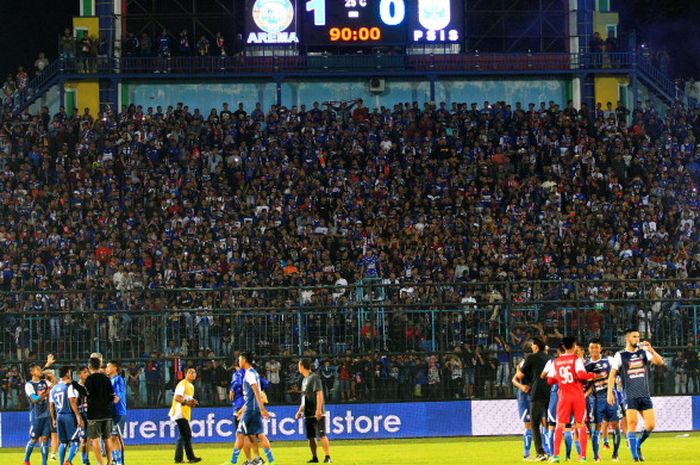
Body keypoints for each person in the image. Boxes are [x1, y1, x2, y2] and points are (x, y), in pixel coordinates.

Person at [607, 329, 665, 462]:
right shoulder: (620, 355)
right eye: (634, 336)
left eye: (638, 336)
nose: (637, 339)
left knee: (650, 425)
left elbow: (660, 362)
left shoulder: (643, 352)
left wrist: (651, 350)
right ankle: (634, 457)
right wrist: (610, 392)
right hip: (630, 395)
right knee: (632, 424)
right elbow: (612, 374)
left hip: (644, 395)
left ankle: (638, 445)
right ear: (627, 339)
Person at [544, 336, 595, 463]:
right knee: (580, 425)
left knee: (559, 425)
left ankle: (555, 455)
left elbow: (550, 380)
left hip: (563, 396)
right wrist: (593, 375)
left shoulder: (556, 361)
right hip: (577, 396)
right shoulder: (576, 360)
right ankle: (582, 456)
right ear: (573, 346)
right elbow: (581, 375)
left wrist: (561, 379)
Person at [228, 352, 275, 465]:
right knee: (259, 434)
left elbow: (256, 392)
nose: (239, 362)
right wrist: (245, 408)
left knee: (240, 434)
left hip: (250, 411)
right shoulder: (254, 373)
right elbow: (252, 395)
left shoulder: (249, 374)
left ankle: (232, 461)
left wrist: (262, 408)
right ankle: (271, 461)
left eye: (239, 359)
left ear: (244, 360)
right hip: (253, 409)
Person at [513, 338, 551, 461]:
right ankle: (529, 453)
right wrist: (521, 386)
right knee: (544, 424)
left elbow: (518, 376)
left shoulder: (530, 360)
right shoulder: (550, 359)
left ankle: (541, 452)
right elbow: (515, 380)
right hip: (547, 392)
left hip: (535, 393)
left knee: (535, 424)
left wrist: (518, 369)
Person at [585, 340, 622, 461]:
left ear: (600, 349)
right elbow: (589, 385)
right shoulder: (586, 365)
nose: (594, 350)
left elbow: (617, 373)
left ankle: (615, 453)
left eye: (597, 347)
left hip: (611, 397)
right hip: (597, 399)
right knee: (597, 426)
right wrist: (584, 395)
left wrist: (617, 380)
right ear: (589, 350)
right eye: (592, 348)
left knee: (616, 424)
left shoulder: (609, 360)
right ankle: (596, 456)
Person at [296, 358, 332, 463]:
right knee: (311, 437)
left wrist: (319, 410)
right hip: (307, 413)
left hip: (316, 412)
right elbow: (304, 398)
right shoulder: (304, 380)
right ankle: (315, 457)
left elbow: (319, 394)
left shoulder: (314, 377)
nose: (298, 367)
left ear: (302, 366)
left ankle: (327, 456)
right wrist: (300, 411)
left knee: (322, 435)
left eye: (299, 365)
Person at [49, 366, 83, 465]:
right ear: (67, 374)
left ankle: (61, 463)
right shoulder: (69, 386)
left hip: (59, 416)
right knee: (75, 441)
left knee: (63, 442)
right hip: (69, 415)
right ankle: (68, 461)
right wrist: (77, 416)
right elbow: (72, 401)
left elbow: (51, 405)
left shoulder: (54, 388)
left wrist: (54, 419)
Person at [84, 357, 115, 465]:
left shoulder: (89, 379)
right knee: (107, 438)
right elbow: (112, 395)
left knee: (95, 439)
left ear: (89, 366)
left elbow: (87, 394)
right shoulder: (106, 378)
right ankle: (109, 462)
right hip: (107, 413)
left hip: (94, 414)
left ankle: (100, 463)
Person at [169, 367, 202, 464]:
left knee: (184, 436)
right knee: (186, 434)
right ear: (185, 374)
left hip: (184, 413)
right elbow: (177, 397)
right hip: (179, 413)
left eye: (194, 372)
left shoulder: (190, 385)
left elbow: (186, 399)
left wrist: (193, 402)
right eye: (190, 372)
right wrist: (188, 402)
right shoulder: (182, 384)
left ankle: (180, 458)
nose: (193, 374)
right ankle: (190, 457)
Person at [23, 363, 52, 465]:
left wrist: (52, 379)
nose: (40, 371)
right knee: (34, 439)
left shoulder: (45, 382)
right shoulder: (29, 385)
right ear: (32, 372)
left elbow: (54, 386)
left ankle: (44, 463)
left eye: (40, 369)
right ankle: (26, 460)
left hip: (46, 415)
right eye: (37, 369)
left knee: (45, 439)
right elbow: (34, 399)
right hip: (36, 416)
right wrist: (46, 394)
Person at [511, 359, 532, 460]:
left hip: (537, 395)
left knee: (543, 423)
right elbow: (514, 380)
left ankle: (546, 452)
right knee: (528, 425)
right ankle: (526, 454)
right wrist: (521, 386)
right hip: (525, 397)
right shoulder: (524, 364)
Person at [106, 361, 126, 465]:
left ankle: (119, 461)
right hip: (112, 413)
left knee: (116, 437)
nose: (106, 368)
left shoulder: (118, 379)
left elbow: (117, 398)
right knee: (112, 437)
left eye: (108, 366)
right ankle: (115, 460)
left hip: (119, 412)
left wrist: (106, 405)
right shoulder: (110, 381)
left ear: (115, 368)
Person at [72, 367, 91, 465]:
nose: (87, 374)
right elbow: (74, 403)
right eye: (84, 372)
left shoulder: (88, 386)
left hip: (89, 415)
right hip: (81, 415)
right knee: (83, 438)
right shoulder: (76, 387)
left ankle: (86, 459)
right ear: (79, 375)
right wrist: (78, 417)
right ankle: (83, 460)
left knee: (87, 438)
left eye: (87, 372)